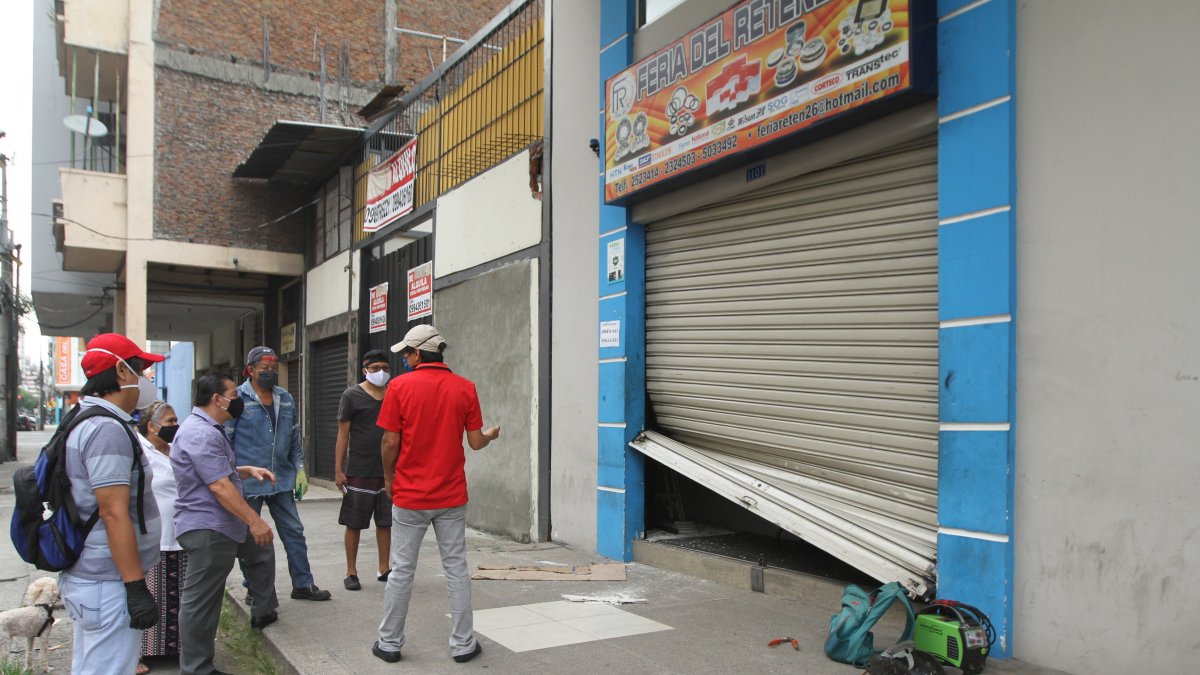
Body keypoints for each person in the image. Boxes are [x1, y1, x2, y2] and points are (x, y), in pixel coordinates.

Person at [373, 324, 500, 664]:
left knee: (401, 570)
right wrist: (489, 435)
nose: (403, 359)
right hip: (451, 495)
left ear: (417, 354)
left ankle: (389, 643)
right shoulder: (465, 388)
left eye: (406, 354)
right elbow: (475, 442)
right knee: (456, 568)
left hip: (410, 495)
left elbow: (389, 441)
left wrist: (389, 477)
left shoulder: (399, 387)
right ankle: (462, 645)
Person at [60, 333, 164, 675]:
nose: (144, 381)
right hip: (108, 583)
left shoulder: (82, 418)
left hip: (95, 576)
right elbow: (113, 511)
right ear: (121, 371)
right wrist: (135, 587)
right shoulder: (106, 429)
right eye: (140, 371)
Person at [173, 373, 279, 675]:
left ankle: (262, 610)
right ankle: (196, 669)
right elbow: (219, 486)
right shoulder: (200, 433)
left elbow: (219, 471)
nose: (239, 400)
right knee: (201, 602)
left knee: (261, 551)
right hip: (209, 526)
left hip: (221, 522)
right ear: (216, 399)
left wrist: (245, 470)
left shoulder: (208, 429)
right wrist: (254, 520)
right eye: (234, 394)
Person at [226, 346, 331, 601]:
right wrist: (231, 475)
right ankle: (254, 587)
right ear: (250, 371)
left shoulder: (285, 398)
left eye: (274, 369)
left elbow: (294, 436)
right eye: (265, 369)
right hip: (250, 480)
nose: (271, 373)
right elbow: (226, 440)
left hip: (281, 478)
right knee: (251, 537)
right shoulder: (237, 399)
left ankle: (303, 584)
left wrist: (301, 470)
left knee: (294, 531)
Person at [334, 349, 393, 591]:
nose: (381, 373)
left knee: (385, 522)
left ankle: (384, 568)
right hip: (359, 469)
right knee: (354, 522)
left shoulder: (395, 394)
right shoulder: (352, 395)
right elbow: (343, 434)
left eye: (386, 368)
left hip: (389, 471)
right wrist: (338, 470)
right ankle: (351, 571)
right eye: (376, 368)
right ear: (365, 370)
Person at [136, 401, 182, 674]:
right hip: (154, 537)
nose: (175, 426)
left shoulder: (176, 449)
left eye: (176, 420)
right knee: (151, 597)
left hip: (181, 535)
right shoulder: (141, 452)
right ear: (152, 427)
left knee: (177, 597)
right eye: (170, 422)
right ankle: (137, 653)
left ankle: (176, 649)